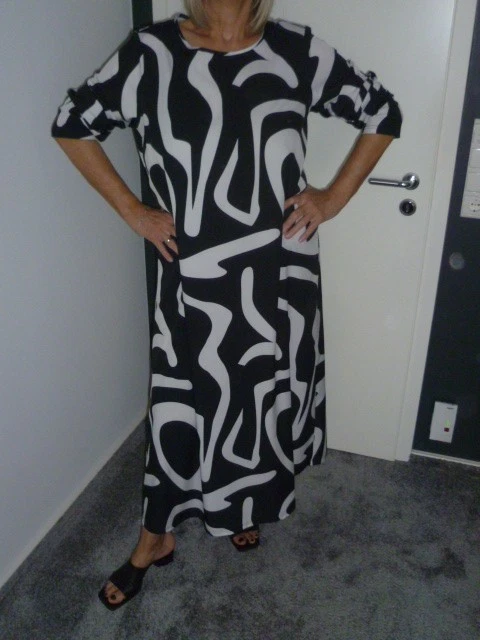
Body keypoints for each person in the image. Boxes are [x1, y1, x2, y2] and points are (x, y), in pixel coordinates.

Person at [52, 0, 401, 610]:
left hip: (279, 270)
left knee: (258, 396)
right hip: (193, 274)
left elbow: (382, 112)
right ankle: (154, 538)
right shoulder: (152, 53)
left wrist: (331, 199)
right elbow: (72, 124)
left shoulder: (296, 50)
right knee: (182, 404)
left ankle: (244, 503)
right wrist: (134, 211)